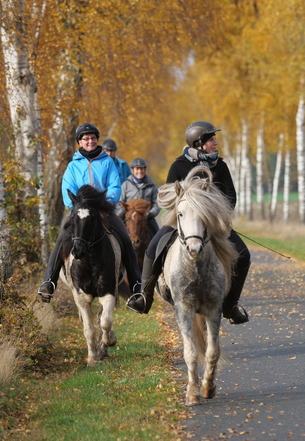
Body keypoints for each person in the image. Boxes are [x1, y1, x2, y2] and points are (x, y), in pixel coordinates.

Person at [126, 121, 251, 324]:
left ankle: (231, 305)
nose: (215, 143)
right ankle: (144, 297)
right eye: (212, 140)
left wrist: (217, 215)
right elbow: (167, 195)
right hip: (181, 223)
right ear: (199, 142)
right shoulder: (179, 166)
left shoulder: (221, 165)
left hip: (214, 225)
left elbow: (231, 197)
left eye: (214, 139)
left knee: (244, 255)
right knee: (152, 250)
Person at [37, 123, 142, 302]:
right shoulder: (72, 166)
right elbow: (67, 190)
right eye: (86, 139)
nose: (90, 141)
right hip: (80, 212)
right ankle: (49, 283)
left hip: (103, 212)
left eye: (93, 138)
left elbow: (115, 186)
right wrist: (79, 205)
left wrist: (103, 204)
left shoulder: (107, 162)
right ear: (79, 142)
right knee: (61, 240)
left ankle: (136, 288)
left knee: (125, 238)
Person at [115, 158, 160, 236]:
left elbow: (157, 203)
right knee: (117, 234)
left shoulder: (152, 186)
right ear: (132, 170)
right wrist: (124, 214)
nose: (140, 171)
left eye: (142, 168)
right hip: (129, 218)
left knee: (157, 234)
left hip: (147, 218)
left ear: (145, 170)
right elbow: (119, 202)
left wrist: (150, 214)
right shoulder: (125, 185)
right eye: (137, 169)